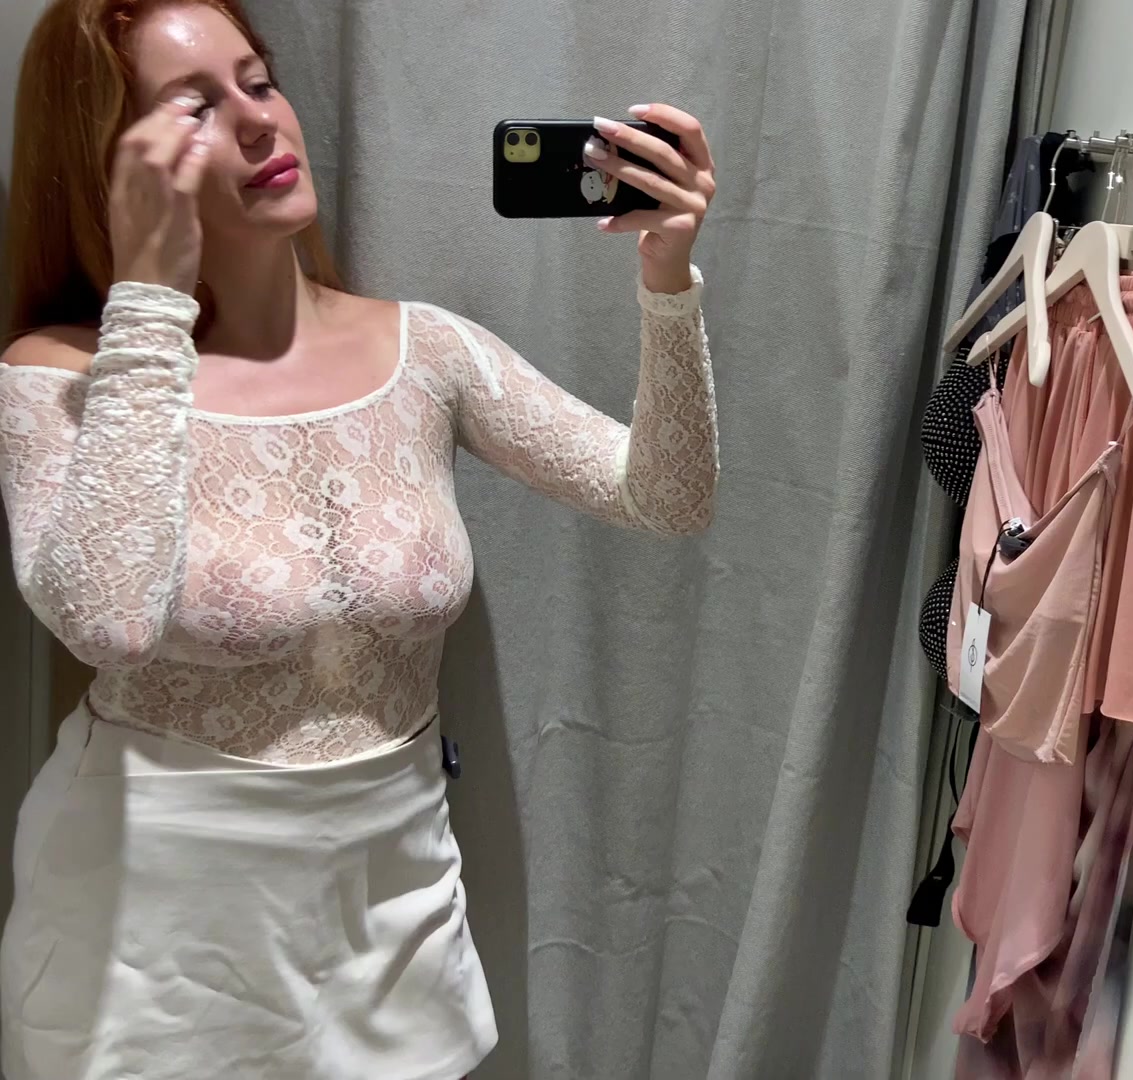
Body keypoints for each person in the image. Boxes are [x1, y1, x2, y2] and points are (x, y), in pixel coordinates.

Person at [0, 0, 719, 1076]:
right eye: (193, 109)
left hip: (396, 890)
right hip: (152, 925)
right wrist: (148, 300)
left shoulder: (427, 352)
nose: (258, 120)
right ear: (108, 164)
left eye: (259, 80)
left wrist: (669, 281)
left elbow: (665, 496)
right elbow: (107, 624)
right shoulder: (61, 375)